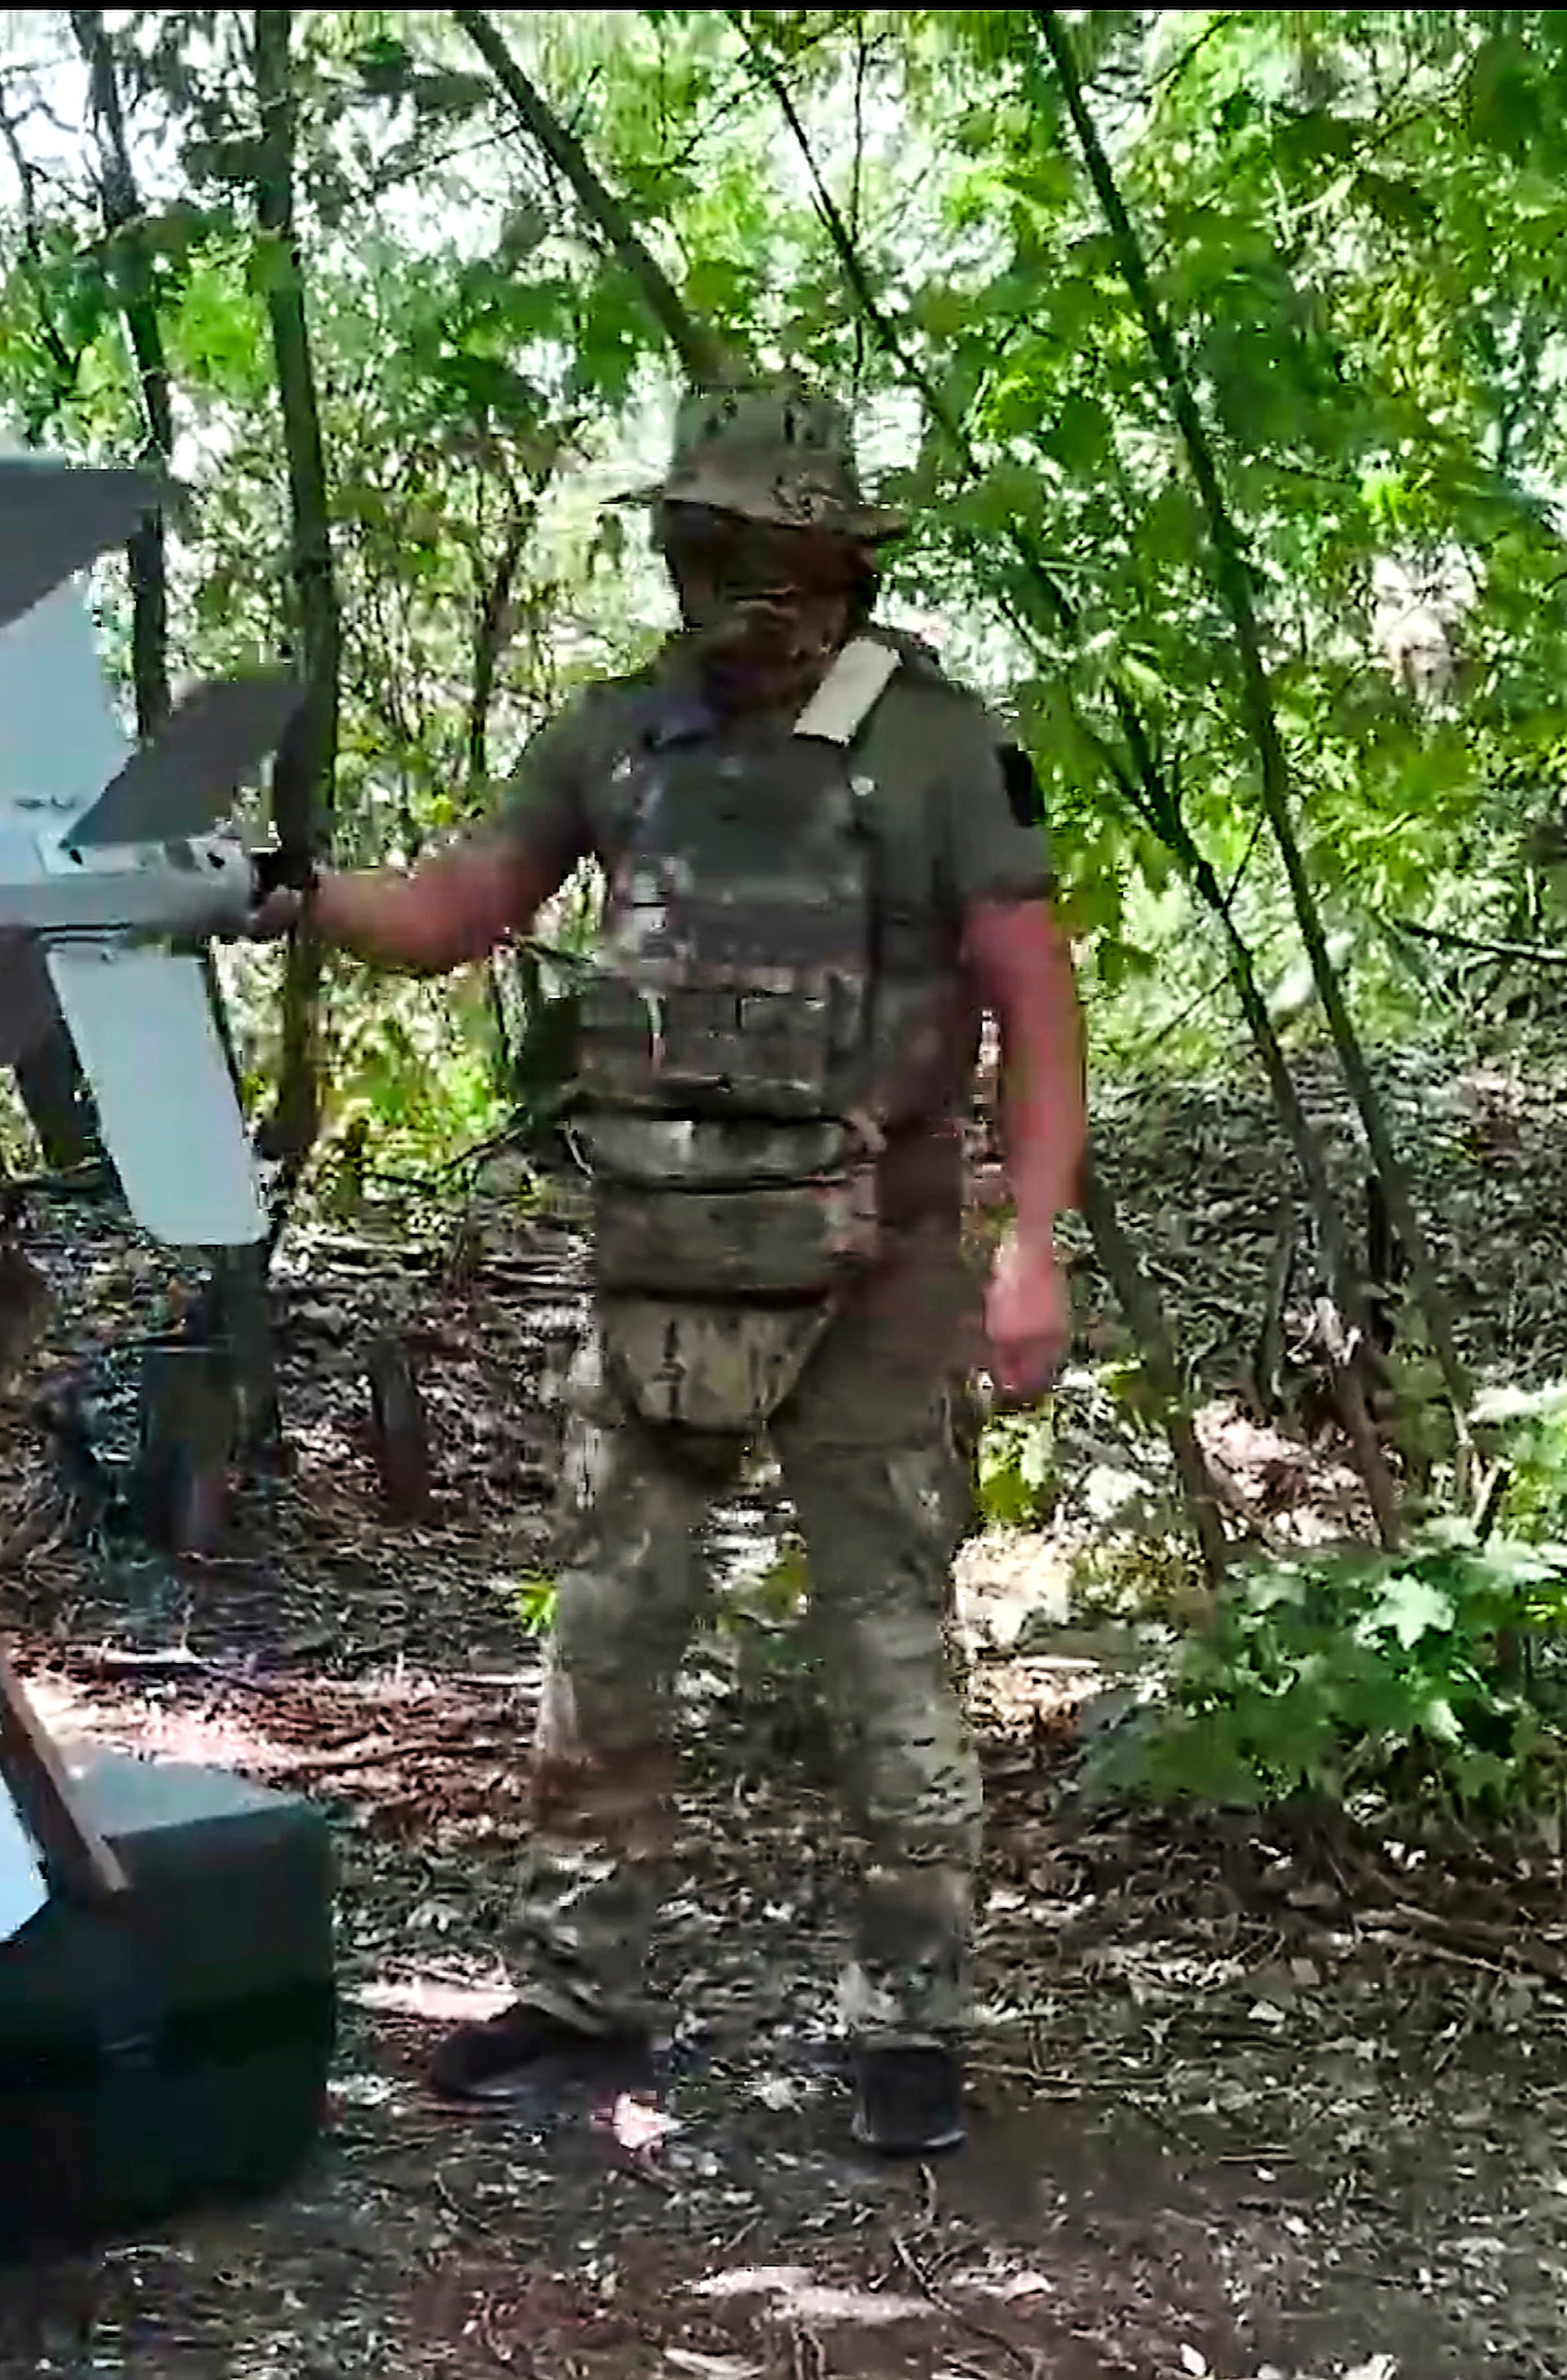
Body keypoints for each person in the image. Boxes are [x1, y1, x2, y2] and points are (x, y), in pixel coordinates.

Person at [246, 374, 1086, 2158]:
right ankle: (576, 1996)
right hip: (659, 1261)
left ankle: (911, 2023)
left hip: (883, 1271)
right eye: (704, 554)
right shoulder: (620, 738)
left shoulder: (936, 747)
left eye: (775, 560)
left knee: (889, 1655)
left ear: (843, 562)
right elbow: (458, 909)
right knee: (612, 1638)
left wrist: (1033, 1249)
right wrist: (269, 887)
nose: (740, 599)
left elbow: (1034, 996)